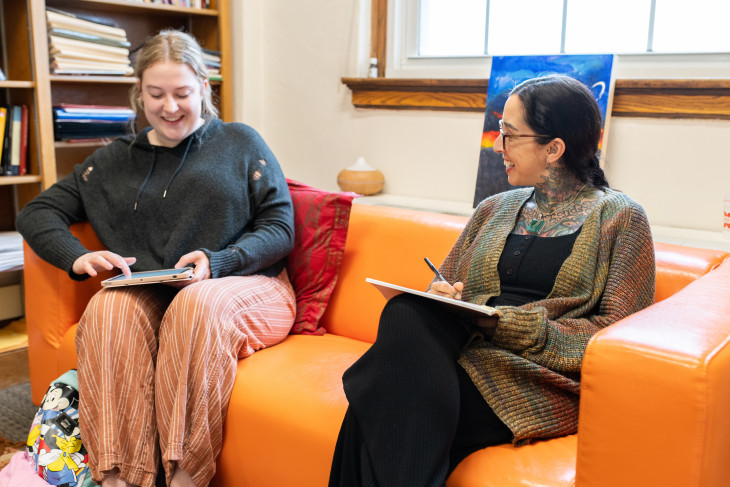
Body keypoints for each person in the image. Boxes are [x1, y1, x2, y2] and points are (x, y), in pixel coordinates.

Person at [328, 74, 656, 486]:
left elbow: (618, 341)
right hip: (460, 355)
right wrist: (441, 295)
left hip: (532, 376)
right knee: (406, 311)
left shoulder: (620, 218)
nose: (498, 146)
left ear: (554, 149)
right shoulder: (494, 208)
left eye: (509, 135)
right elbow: (445, 282)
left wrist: (510, 325)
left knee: (376, 402)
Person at [17, 30, 297, 487]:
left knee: (195, 305)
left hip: (246, 284)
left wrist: (218, 262)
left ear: (204, 89)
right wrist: (79, 257)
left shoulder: (241, 142)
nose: (170, 107)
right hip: (153, 292)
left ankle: (185, 478)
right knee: (107, 308)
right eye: (156, 94)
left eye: (183, 93)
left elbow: (280, 228)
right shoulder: (110, 162)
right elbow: (38, 211)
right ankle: (119, 478)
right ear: (139, 95)